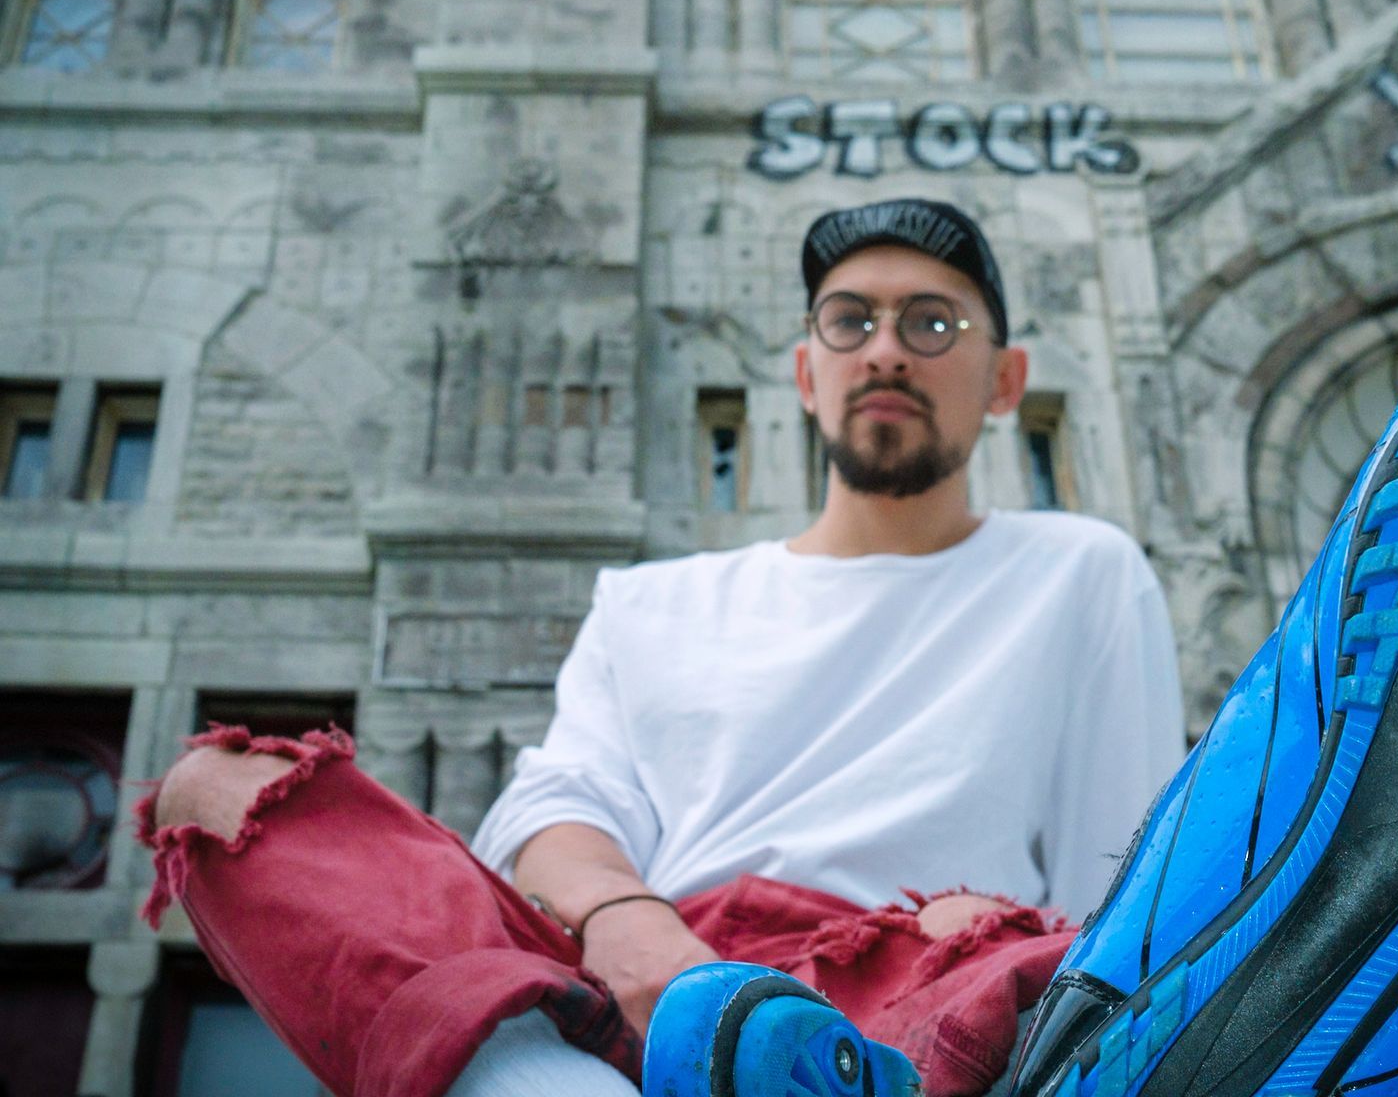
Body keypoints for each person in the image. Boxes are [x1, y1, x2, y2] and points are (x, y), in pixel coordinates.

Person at [138, 198, 1187, 1097]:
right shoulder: (655, 601)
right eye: (850, 319)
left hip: (910, 988)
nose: (885, 348)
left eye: (933, 321)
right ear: (805, 372)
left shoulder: (1082, 572)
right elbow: (553, 809)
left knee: (1020, 955)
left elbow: (1128, 888)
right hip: (638, 979)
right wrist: (632, 926)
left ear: (1006, 380)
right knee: (219, 794)